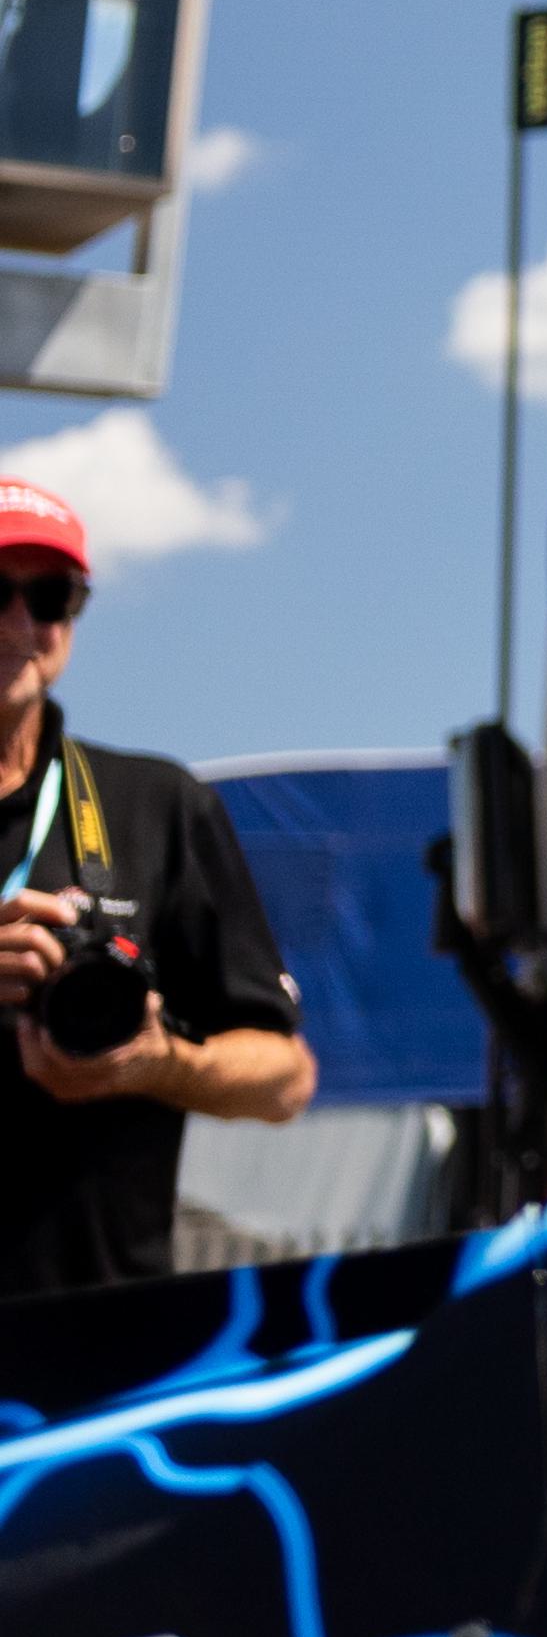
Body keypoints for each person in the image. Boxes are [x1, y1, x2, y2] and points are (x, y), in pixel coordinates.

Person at [0, 476, 314, 1299]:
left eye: (51, 595)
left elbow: (285, 1078)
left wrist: (152, 1062)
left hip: (99, 1352)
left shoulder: (157, 806)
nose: (22, 624)